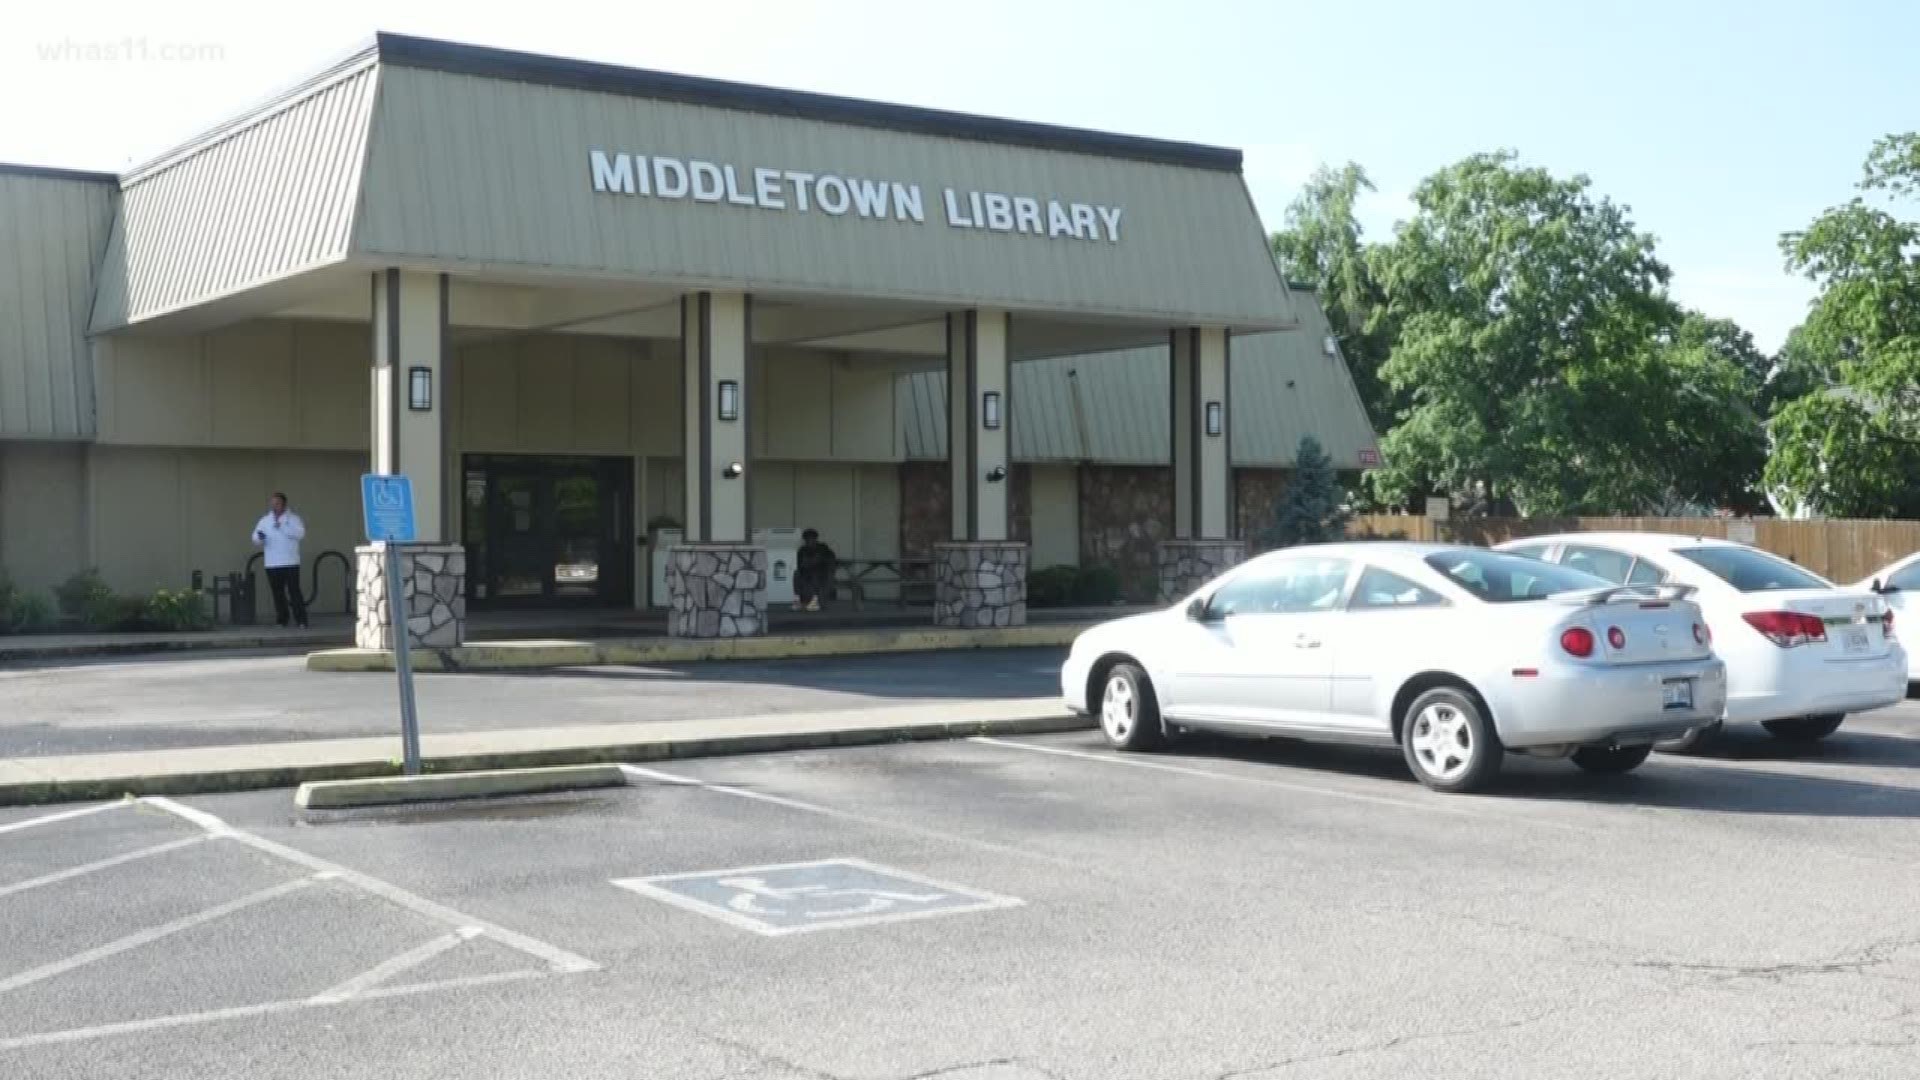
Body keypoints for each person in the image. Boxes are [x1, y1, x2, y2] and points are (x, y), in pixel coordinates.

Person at [251, 492, 309, 629]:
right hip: (272, 562)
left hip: (290, 561)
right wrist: (260, 537)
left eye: (277, 503)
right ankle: (282, 619)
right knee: (278, 593)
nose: (274, 506)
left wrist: (282, 526)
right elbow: (255, 538)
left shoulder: (293, 519)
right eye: (272, 503)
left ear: (284, 504)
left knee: (294, 591)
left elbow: (300, 534)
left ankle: (301, 620)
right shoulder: (265, 520)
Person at [794, 528, 836, 612]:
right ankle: (801, 602)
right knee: (796, 576)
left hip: (822, 573)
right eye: (807, 539)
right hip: (806, 573)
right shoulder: (802, 550)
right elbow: (799, 564)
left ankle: (815, 603)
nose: (809, 541)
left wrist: (819, 561)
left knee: (815, 578)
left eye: (811, 538)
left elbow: (831, 559)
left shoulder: (823, 547)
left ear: (815, 539)